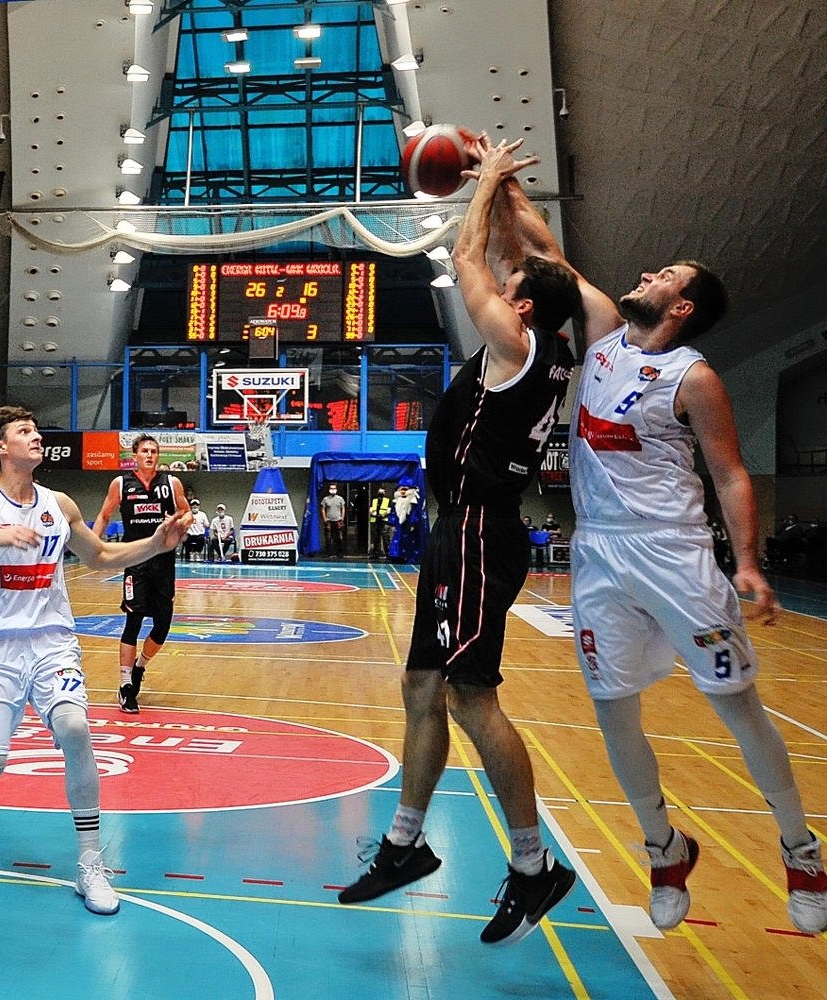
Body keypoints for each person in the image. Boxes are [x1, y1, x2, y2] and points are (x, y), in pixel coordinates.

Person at [487, 136, 827, 934]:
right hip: (598, 552)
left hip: (673, 552)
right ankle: (663, 849)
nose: (646, 275)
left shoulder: (694, 376)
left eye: (664, 276)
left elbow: (729, 474)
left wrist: (746, 562)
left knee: (735, 705)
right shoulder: (602, 334)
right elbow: (545, 250)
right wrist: (499, 183)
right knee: (612, 711)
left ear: (681, 308)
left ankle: (799, 850)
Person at [338, 136, 581, 948]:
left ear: (522, 310)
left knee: (471, 697)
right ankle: (404, 844)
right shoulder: (550, 343)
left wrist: (479, 188)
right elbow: (528, 258)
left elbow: (467, 255)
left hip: (477, 530)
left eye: (510, 291)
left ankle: (532, 864)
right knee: (420, 686)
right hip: (463, 530)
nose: (498, 288)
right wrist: (503, 187)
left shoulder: (515, 346)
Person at [0, 405, 191, 916]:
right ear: (1, 447)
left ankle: (90, 863)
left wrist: (155, 543)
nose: (36, 436)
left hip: (52, 643)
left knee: (75, 729)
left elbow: (100, 557)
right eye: (25, 431)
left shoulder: (58, 503)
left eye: (37, 430)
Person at [91, 434, 190, 713]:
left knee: (163, 625)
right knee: (133, 621)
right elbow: (104, 515)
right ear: (134, 455)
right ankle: (125, 686)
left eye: (154, 451)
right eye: (145, 451)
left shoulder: (171, 483)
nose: (149, 455)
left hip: (163, 560)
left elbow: (187, 512)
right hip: (135, 558)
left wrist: (182, 521)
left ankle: (139, 667)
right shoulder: (121, 484)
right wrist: (92, 547)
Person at [321, 484, 347, 556]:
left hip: (338, 521)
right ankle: (328, 553)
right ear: (329, 489)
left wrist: (342, 519)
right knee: (328, 538)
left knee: (340, 538)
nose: (333, 490)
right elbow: (323, 509)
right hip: (329, 521)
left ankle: (340, 553)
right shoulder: (325, 499)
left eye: (334, 488)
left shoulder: (340, 499)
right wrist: (325, 520)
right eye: (331, 488)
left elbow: (343, 508)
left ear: (336, 489)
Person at [368, 487, 391, 556]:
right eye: (380, 492)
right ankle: (375, 553)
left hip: (384, 521)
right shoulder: (374, 500)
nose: (381, 493)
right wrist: (375, 514)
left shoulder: (388, 500)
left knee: (386, 537)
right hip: (375, 521)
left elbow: (389, 510)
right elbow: (371, 509)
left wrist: (382, 515)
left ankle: (387, 553)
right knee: (375, 537)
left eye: (382, 492)